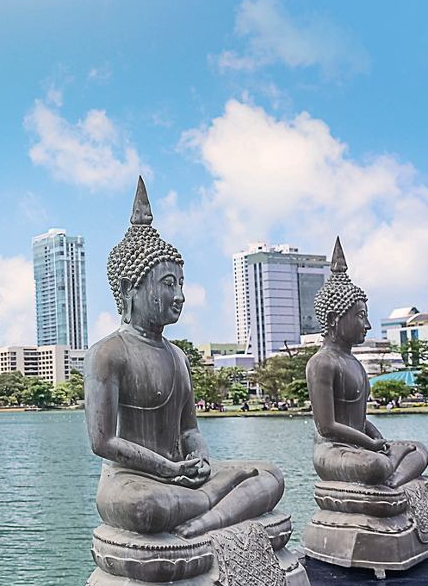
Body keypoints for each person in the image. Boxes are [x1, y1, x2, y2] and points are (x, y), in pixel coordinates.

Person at [84, 178, 283, 539]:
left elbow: (189, 429)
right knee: (146, 508)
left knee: (269, 475)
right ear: (130, 288)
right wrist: (166, 469)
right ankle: (217, 504)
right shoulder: (108, 353)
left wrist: (202, 459)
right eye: (167, 284)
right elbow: (102, 442)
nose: (180, 296)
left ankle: (208, 517)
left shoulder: (177, 356)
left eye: (181, 284)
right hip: (132, 483)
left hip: (182, 477)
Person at [306, 238, 428, 487]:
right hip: (333, 451)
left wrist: (379, 440)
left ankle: (391, 482)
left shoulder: (354, 363)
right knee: (375, 465)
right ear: (333, 318)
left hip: (360, 446)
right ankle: (389, 475)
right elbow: (327, 426)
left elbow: (359, 420)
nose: (368, 325)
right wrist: (370, 445)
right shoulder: (322, 363)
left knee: (420, 451)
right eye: (360, 317)